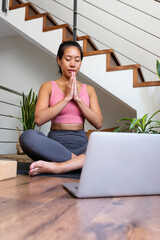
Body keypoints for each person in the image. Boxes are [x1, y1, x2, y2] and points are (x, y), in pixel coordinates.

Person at [20, 40, 103, 176]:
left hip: (81, 145)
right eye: (68, 59)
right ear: (59, 60)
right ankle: (81, 163)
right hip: (55, 147)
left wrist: (77, 98)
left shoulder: (89, 90)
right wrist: (66, 98)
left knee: (103, 142)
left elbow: (98, 123)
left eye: (77, 60)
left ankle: (59, 167)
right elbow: (39, 119)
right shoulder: (48, 86)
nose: (72, 64)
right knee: (27, 136)